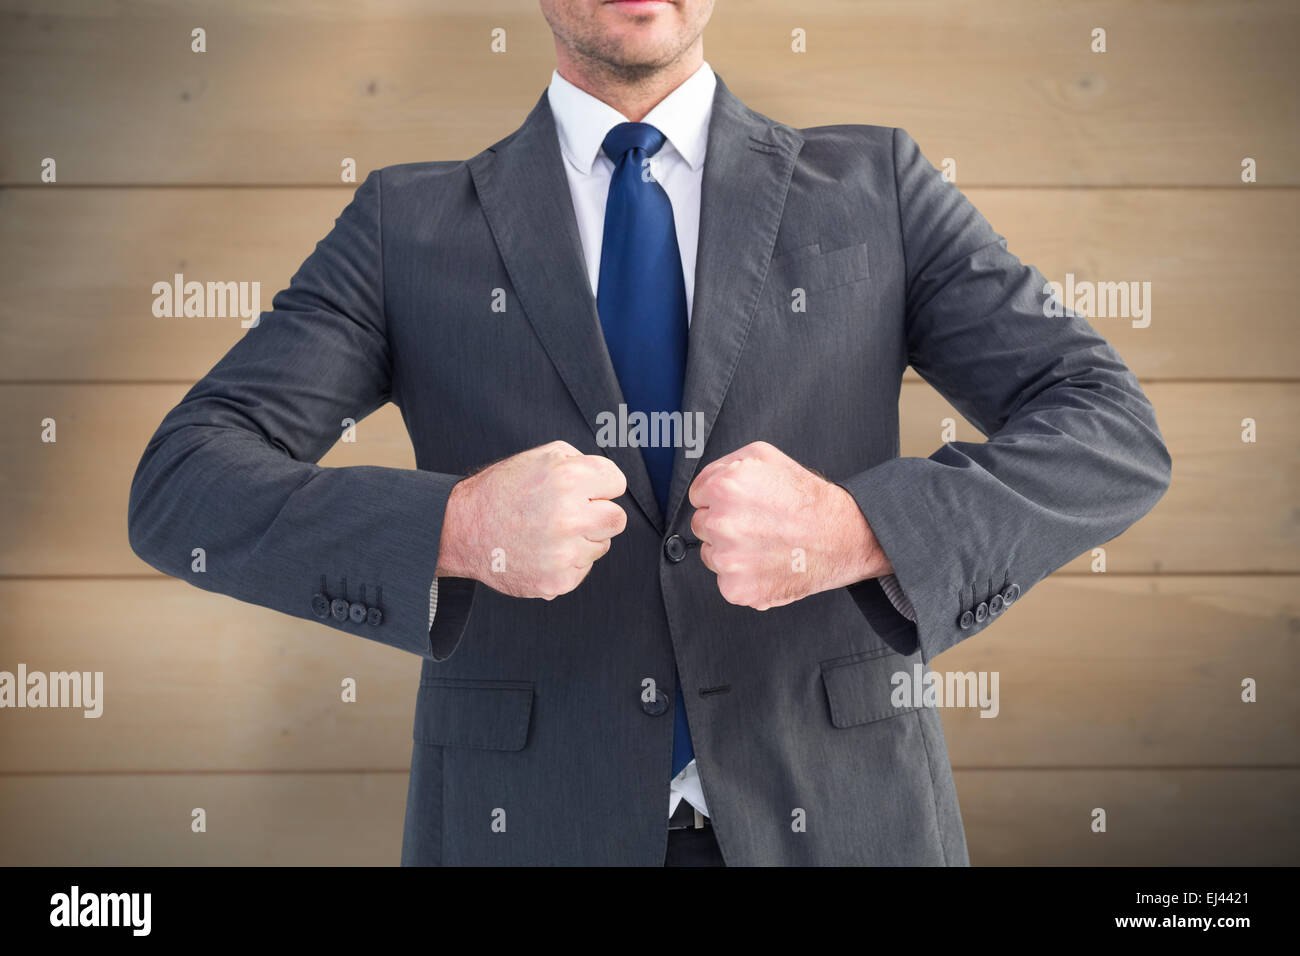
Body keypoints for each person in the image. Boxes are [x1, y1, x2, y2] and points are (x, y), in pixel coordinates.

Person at [128, 0, 1171, 866]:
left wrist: (859, 527)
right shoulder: (406, 226)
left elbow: (1108, 427)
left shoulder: (879, 191)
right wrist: (455, 527)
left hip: (848, 820)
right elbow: (185, 483)